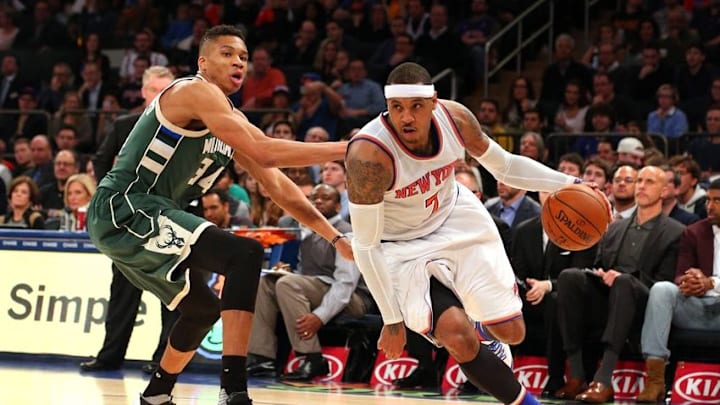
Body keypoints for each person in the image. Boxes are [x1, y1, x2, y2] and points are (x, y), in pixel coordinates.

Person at [86, 25, 351, 405]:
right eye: (227, 53)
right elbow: (264, 151)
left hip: (150, 213)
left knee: (202, 309)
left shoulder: (231, 120)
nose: (238, 61)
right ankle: (234, 390)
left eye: (243, 56)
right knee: (243, 255)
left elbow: (279, 188)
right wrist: (349, 148)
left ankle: (156, 395)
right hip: (125, 205)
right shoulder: (193, 91)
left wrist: (335, 237)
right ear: (203, 62)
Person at [344, 62, 589, 405]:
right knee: (457, 336)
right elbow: (366, 246)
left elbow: (505, 166)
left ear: (433, 102)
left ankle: (484, 329)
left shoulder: (455, 119)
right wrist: (392, 319)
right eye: (397, 108)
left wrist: (572, 184)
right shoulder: (369, 156)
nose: (407, 118)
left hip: (454, 217)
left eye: (416, 106)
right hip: (398, 246)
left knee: (512, 332)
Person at [81, 66, 186, 375]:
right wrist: (110, 197)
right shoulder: (125, 125)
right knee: (123, 294)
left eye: (167, 91)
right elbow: (100, 160)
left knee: (171, 294)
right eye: (155, 90)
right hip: (128, 222)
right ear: (143, 92)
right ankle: (110, 356)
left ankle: (162, 360)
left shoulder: (185, 128)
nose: (160, 97)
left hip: (170, 219)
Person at [554, 166, 684, 403]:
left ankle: (603, 380)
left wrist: (624, 278)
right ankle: (576, 375)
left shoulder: (676, 232)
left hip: (645, 303)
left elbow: (664, 284)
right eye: (640, 181)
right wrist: (602, 274)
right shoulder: (614, 227)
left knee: (624, 282)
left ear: (665, 190)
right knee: (569, 277)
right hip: (610, 298)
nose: (642, 186)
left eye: (649, 182)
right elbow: (599, 264)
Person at [246, 184, 373, 381]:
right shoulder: (306, 232)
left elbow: (345, 284)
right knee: (268, 282)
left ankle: (312, 358)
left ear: (339, 207)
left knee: (286, 284)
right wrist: (289, 272)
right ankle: (262, 358)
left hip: (355, 298)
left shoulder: (347, 233)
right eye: (314, 198)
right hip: (321, 288)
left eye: (325, 198)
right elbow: (309, 276)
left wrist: (319, 316)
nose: (318, 201)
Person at [636, 179, 720, 403]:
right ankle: (655, 381)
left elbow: (711, 283)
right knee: (662, 289)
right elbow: (679, 274)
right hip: (697, 306)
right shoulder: (693, 232)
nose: (709, 206)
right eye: (708, 200)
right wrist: (690, 281)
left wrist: (711, 283)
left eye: (717, 201)